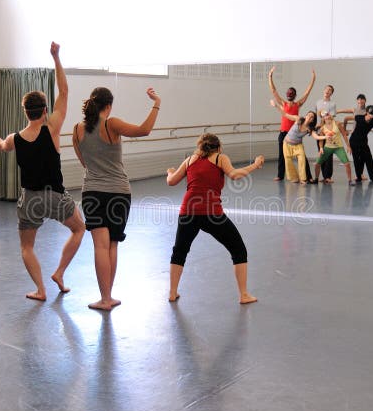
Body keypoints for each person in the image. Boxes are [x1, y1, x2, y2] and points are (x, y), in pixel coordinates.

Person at [0, 42, 85, 301]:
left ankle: (40, 290)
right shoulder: (51, 128)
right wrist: (56, 57)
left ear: (25, 111)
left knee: (27, 247)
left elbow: (1, 146)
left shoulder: (14, 137)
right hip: (55, 196)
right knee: (79, 229)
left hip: (29, 199)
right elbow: (64, 90)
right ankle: (59, 273)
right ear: (45, 110)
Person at [73, 86, 161, 310]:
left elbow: (85, 162)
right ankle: (109, 297)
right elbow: (144, 130)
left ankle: (104, 298)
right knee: (112, 245)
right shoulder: (111, 124)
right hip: (118, 192)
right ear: (109, 106)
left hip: (92, 191)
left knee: (99, 247)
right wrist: (156, 103)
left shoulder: (77, 130)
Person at [166, 133, 263, 304]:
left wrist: (170, 172)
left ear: (201, 146)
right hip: (212, 214)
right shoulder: (219, 158)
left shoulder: (190, 159)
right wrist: (254, 165)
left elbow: (171, 181)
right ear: (218, 147)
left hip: (188, 211)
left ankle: (172, 292)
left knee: (179, 251)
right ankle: (244, 295)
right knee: (238, 250)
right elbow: (234, 175)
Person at [268, 66, 315, 181]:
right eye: (289, 92)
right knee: (282, 156)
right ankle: (280, 175)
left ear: (294, 95)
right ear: (287, 94)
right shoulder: (283, 103)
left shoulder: (297, 104)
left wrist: (313, 78)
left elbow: (307, 92)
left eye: (292, 93)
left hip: (295, 134)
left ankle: (308, 176)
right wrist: (270, 76)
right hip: (284, 133)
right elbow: (273, 90)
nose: (290, 94)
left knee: (302, 156)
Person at [343, 92, 373, 182]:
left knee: (368, 158)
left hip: (363, 141)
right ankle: (359, 177)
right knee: (357, 159)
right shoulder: (359, 117)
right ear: (366, 113)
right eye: (371, 113)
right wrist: (345, 130)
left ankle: (372, 176)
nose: (372, 115)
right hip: (354, 141)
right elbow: (346, 119)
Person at [314, 84, 353, 182]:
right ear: (324, 90)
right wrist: (318, 125)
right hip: (321, 129)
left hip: (329, 128)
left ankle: (328, 177)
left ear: (331, 93)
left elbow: (330, 117)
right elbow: (318, 116)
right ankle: (322, 176)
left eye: (330, 90)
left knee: (329, 156)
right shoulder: (318, 102)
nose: (328, 91)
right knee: (321, 152)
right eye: (326, 89)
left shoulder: (332, 104)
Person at [271, 100, 315, 184]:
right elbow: (285, 114)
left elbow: (316, 135)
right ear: (306, 116)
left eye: (312, 116)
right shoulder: (297, 118)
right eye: (308, 115)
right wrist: (276, 105)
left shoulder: (309, 128)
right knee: (288, 161)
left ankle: (303, 178)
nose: (309, 116)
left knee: (302, 160)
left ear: (312, 120)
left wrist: (325, 135)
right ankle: (294, 178)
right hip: (287, 144)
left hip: (298, 145)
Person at [312, 110, 355, 186]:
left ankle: (350, 180)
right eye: (325, 115)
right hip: (328, 147)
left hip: (338, 147)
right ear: (323, 118)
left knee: (347, 163)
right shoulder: (322, 128)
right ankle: (316, 179)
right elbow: (321, 140)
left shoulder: (337, 123)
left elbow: (344, 135)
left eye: (327, 114)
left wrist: (348, 146)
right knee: (317, 164)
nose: (327, 116)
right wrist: (321, 148)